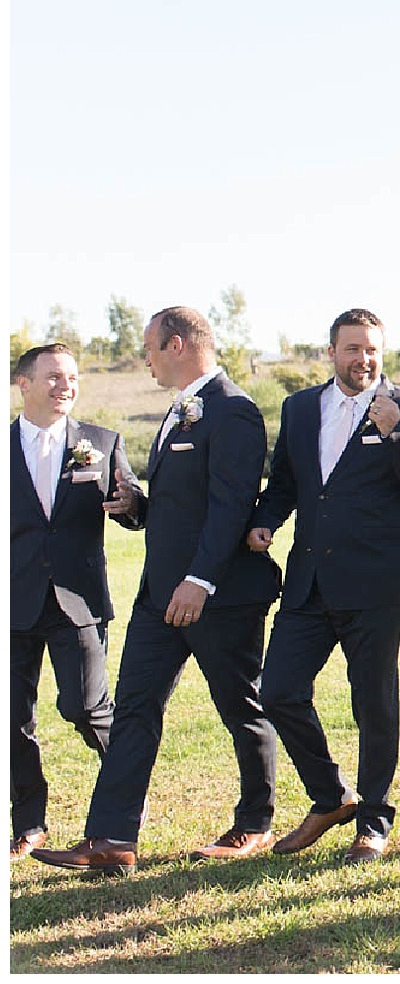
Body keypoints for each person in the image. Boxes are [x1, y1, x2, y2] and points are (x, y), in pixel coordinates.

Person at [35, 307, 282, 874]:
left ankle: (254, 824)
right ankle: (111, 840)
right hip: (157, 597)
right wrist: (137, 506)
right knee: (134, 711)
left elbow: (230, 504)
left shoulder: (234, 410)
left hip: (213, 595)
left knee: (241, 705)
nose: (144, 358)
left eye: (148, 348)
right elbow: (186, 505)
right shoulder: (180, 409)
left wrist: (200, 581)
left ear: (175, 344)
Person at [245, 309, 400, 864]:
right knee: (278, 689)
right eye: (353, 348)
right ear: (331, 352)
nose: (364, 359)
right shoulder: (301, 408)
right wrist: (266, 520)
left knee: (373, 705)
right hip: (307, 581)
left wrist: (395, 433)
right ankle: (332, 796)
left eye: (373, 350)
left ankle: (375, 822)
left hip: (376, 584)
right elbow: (286, 480)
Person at [11, 344, 143, 861]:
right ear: (24, 383)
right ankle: (29, 822)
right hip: (12, 601)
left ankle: (125, 802)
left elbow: (134, 507)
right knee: (12, 720)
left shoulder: (101, 441)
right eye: (53, 377)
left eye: (71, 378)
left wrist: (130, 503)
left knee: (88, 708)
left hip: (77, 600)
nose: (65, 386)